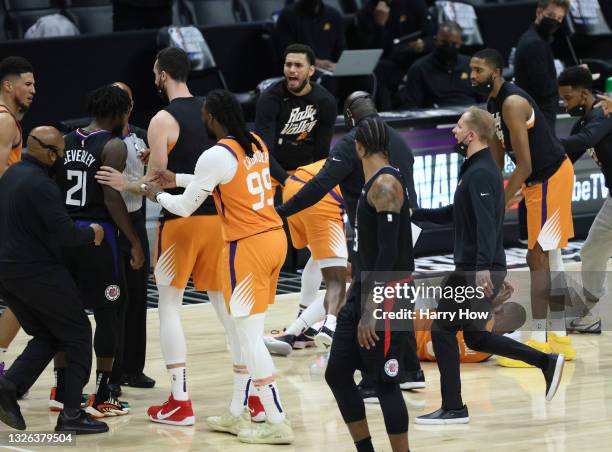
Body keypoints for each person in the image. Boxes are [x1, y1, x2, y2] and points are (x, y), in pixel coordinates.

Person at [144, 89, 294, 444]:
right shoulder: (255, 141)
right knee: (244, 333)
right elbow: (224, 183)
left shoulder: (215, 154)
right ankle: (237, 409)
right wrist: (178, 179)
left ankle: (276, 419)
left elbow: (183, 207)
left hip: (249, 248)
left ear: (211, 117)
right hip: (275, 239)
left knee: (248, 337)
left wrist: (155, 194)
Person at [95, 47, 225, 426]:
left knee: (169, 306)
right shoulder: (210, 110)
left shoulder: (162, 118)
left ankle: (180, 401)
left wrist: (125, 181)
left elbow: (154, 181)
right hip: (218, 220)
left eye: (155, 72)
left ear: (163, 74)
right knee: (226, 308)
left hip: (181, 223)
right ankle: (250, 391)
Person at [412, 107, 566, 424]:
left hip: (472, 270)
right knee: (476, 338)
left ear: (471, 135)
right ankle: (546, 362)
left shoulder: (481, 172)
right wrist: (414, 213)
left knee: (442, 330)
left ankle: (453, 407)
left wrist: (486, 268)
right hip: (478, 268)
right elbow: (456, 212)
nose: (453, 132)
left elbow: (486, 224)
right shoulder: (476, 169)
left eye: (457, 127)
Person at [276, 91, 424, 396]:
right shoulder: (397, 139)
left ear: (350, 117)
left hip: (373, 227)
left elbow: (319, 184)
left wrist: (280, 213)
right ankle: (408, 370)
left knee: (369, 299)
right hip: (405, 226)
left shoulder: (353, 141)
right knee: (396, 302)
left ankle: (375, 376)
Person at [471, 48, 576, 366]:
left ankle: (541, 341)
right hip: (539, 180)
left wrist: (503, 200)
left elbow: (526, 163)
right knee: (551, 258)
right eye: (471, 70)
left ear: (497, 71)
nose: (473, 76)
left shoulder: (513, 103)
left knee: (537, 256)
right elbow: (500, 156)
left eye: (478, 70)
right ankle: (560, 336)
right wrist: (494, 189)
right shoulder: (492, 103)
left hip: (548, 177)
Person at [0, 126, 108, 434]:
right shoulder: (42, 186)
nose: (61, 159)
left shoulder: (11, 175)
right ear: (49, 154)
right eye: (59, 154)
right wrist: (93, 233)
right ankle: (71, 413)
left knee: (48, 335)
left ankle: (9, 386)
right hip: (37, 271)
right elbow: (66, 234)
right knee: (77, 333)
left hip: (7, 273)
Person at [53, 84, 144, 418]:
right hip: (98, 238)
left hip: (65, 236)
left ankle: (61, 389)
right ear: (119, 114)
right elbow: (110, 197)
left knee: (66, 314)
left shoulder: (63, 139)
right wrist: (134, 240)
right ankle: (104, 392)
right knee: (109, 313)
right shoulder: (114, 145)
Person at [325, 117, 412, 452]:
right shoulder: (373, 181)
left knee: (386, 382)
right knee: (337, 374)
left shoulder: (386, 184)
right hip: (366, 289)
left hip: (388, 295)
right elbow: (374, 244)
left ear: (358, 147)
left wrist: (371, 308)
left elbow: (389, 253)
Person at [264, 159, 348, 355]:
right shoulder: (386, 181)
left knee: (320, 259)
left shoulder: (357, 149)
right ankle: (304, 331)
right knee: (342, 282)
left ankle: (302, 329)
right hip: (323, 198)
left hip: (295, 185)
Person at [108, 82, 156, 390]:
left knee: (138, 297)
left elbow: (153, 189)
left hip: (137, 219)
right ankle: (110, 370)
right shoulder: (101, 140)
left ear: (131, 104)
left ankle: (133, 368)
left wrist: (151, 167)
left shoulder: (143, 137)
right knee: (113, 297)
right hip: (111, 223)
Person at [558, 66, 612, 333]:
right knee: (592, 251)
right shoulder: (584, 122)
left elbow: (587, 139)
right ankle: (590, 314)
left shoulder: (605, 112)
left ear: (585, 93)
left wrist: (544, 140)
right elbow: (567, 156)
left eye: (568, 98)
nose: (565, 104)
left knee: (593, 249)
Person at [0, 56, 36, 378]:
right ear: (8, 85)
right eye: (27, 83)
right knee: (26, 291)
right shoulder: (5, 121)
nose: (33, 90)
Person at [255, 44, 337, 174]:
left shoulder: (325, 101)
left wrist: (315, 178)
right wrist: (287, 180)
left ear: (311, 71)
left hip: (306, 169)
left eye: (298, 65)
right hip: (273, 170)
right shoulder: (269, 100)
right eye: (288, 65)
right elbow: (262, 150)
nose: (292, 70)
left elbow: (322, 150)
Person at [356, 0, 435, 110]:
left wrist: (424, 44)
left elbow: (432, 37)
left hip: (416, 59)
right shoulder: (366, 12)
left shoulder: (414, 3)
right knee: (378, 70)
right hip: (391, 64)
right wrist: (380, 25)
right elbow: (373, 53)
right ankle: (386, 115)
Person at [514, 0, 570, 130]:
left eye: (559, 18)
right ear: (539, 12)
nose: (555, 21)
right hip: (539, 116)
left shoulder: (537, 38)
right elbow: (543, 87)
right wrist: (569, 78)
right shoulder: (535, 43)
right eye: (551, 15)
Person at [398, 21, 478, 109]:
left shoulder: (471, 65)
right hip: (435, 118)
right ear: (435, 41)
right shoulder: (419, 69)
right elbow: (411, 106)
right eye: (444, 43)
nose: (449, 47)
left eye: (454, 44)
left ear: (460, 43)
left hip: (471, 117)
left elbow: (486, 100)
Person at [276, 0, 346, 72]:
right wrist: (313, 62)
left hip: (331, 70)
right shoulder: (288, 15)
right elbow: (287, 52)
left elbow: (341, 50)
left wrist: (339, 65)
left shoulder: (334, 15)